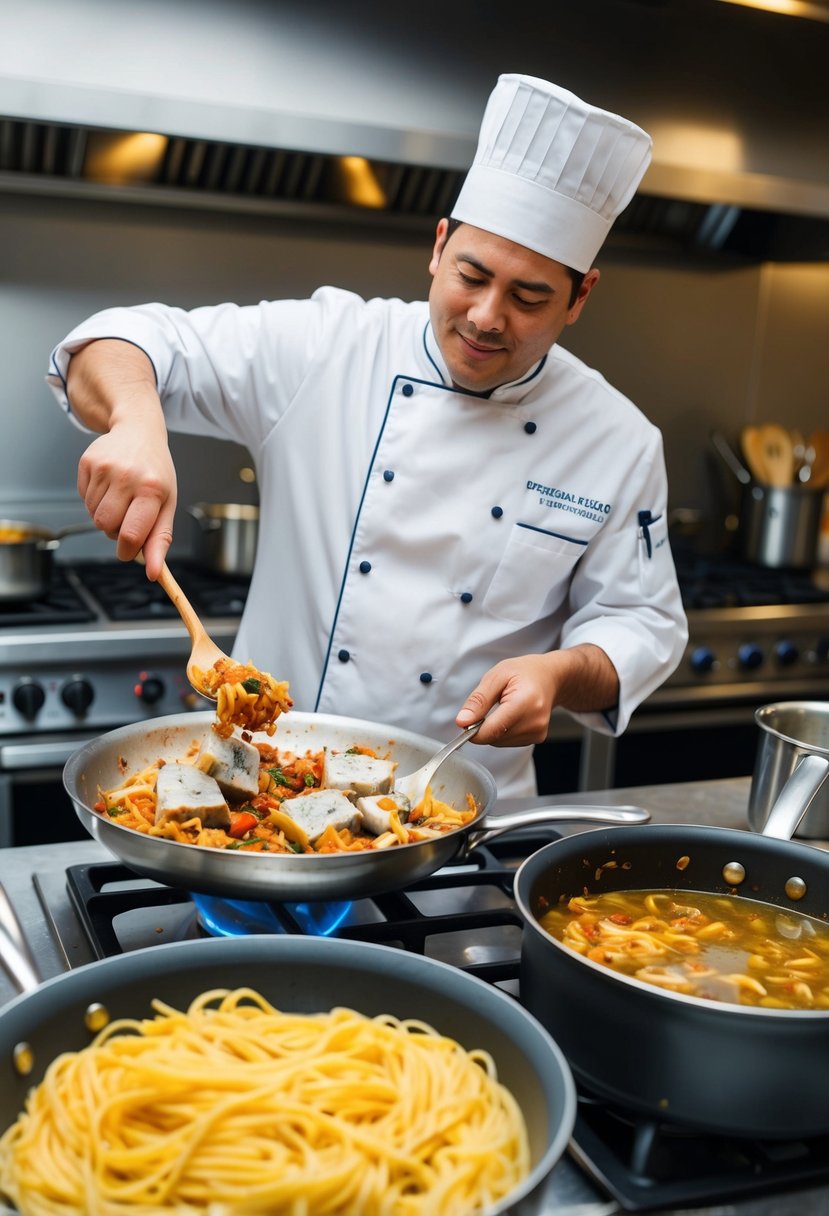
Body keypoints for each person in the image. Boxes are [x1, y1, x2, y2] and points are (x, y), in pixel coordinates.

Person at [47, 73, 688, 799]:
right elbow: (120, 339)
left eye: (528, 297)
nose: (485, 316)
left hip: (458, 815)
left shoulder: (617, 439)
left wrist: (559, 671)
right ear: (438, 246)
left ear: (581, 297)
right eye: (470, 275)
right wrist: (136, 420)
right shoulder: (327, 346)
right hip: (260, 793)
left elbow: (642, 623)